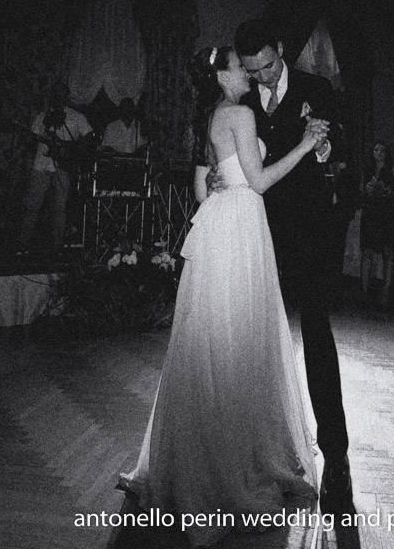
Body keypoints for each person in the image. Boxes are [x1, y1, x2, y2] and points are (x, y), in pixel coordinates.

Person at [119, 46, 328, 547]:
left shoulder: (211, 117)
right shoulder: (239, 113)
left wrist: (218, 180)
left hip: (215, 228)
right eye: (238, 66)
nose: (247, 74)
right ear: (221, 75)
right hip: (240, 228)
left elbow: (199, 190)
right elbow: (259, 182)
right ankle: (236, 462)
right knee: (241, 339)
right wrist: (305, 145)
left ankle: (203, 455)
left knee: (214, 340)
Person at [235, 18, 354, 516]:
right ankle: (265, 453)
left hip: (308, 230)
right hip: (257, 229)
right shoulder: (241, 101)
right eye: (253, 71)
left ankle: (336, 457)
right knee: (255, 338)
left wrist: (322, 144)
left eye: (268, 66)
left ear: (280, 50)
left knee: (317, 333)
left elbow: (339, 148)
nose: (262, 77)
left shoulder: (316, 88)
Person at [17, 83, 93, 251]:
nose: (58, 96)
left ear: (67, 96)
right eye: (55, 93)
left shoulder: (76, 117)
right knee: (32, 206)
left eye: (62, 93)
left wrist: (70, 149)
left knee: (60, 208)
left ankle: (57, 247)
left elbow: (89, 138)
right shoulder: (41, 116)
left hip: (63, 167)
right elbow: (32, 141)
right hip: (40, 165)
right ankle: (23, 244)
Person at [359, 141, 394, 307]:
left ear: (387, 153)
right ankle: (364, 292)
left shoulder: (393, 169)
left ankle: (386, 293)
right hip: (371, 213)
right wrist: (367, 190)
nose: (378, 153)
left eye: (382, 150)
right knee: (367, 252)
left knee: (388, 253)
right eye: (375, 149)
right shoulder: (368, 170)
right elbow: (361, 191)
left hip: (387, 214)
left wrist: (389, 192)